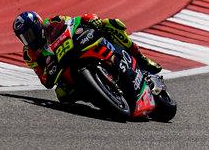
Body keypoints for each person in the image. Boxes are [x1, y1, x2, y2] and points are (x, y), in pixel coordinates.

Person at [13, 11, 162, 103]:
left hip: (78, 47)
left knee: (109, 24)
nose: (28, 40)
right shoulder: (29, 55)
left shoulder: (54, 21)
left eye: (29, 34)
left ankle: (140, 58)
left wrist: (89, 18)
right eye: (23, 38)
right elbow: (44, 80)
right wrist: (48, 71)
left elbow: (74, 22)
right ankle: (99, 96)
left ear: (37, 25)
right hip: (63, 69)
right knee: (62, 95)